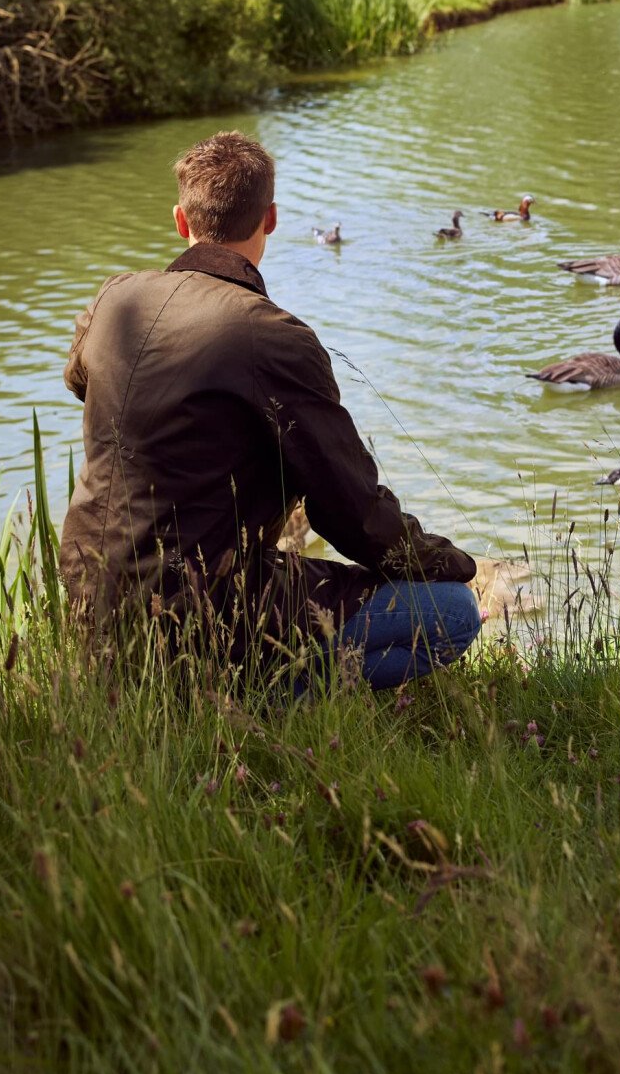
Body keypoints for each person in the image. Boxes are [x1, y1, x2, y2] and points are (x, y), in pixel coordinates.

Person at [59, 131, 481, 689]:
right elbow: (350, 511)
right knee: (453, 613)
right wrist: (451, 563)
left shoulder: (115, 298)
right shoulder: (274, 337)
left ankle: (202, 687)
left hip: (90, 594)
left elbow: (79, 381)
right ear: (272, 218)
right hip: (201, 609)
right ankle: (261, 699)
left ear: (181, 222)